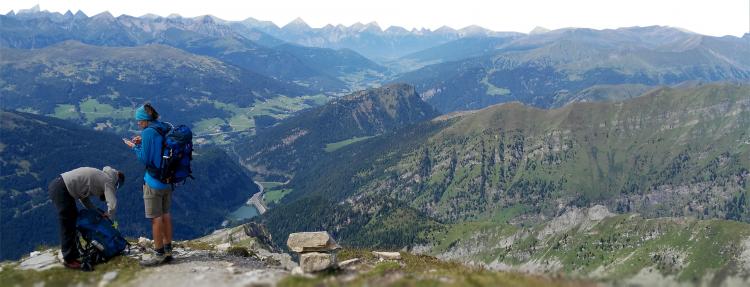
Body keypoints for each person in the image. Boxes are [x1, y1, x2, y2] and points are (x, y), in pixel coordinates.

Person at [123, 103, 174, 266]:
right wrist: (142, 141)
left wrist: (134, 146)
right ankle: (168, 250)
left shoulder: (147, 132)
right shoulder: (162, 127)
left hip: (153, 181)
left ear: (145, 120)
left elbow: (144, 159)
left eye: (139, 120)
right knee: (166, 215)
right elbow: (158, 146)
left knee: (156, 219)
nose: (138, 123)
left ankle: (158, 254)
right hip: (167, 180)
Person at [48, 166, 124, 269]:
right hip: (62, 190)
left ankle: (73, 255)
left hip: (59, 186)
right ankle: (69, 259)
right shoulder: (108, 180)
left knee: (72, 221)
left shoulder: (100, 177)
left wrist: (96, 212)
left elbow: (84, 199)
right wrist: (109, 214)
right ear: (116, 182)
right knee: (68, 225)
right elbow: (112, 202)